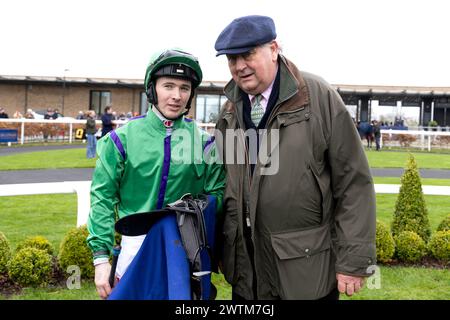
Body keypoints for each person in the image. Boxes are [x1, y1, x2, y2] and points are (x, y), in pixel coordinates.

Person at [213, 15, 376, 300]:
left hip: (306, 274)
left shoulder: (318, 96)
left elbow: (354, 182)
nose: (239, 66)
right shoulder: (229, 111)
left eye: (248, 54)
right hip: (247, 278)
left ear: (274, 49)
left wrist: (354, 260)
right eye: (231, 58)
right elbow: (225, 188)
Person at [87, 48, 225, 300]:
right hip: (133, 251)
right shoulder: (119, 141)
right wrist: (100, 259)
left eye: (184, 88)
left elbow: (217, 199)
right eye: (168, 86)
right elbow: (102, 200)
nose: (176, 96)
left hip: (185, 254)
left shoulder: (207, 146)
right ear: (152, 89)